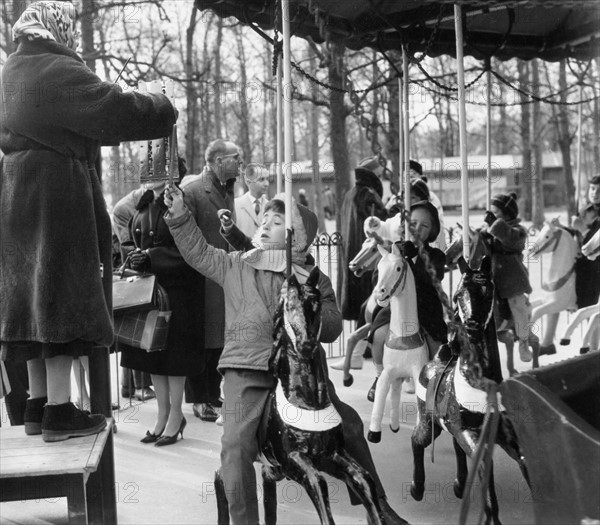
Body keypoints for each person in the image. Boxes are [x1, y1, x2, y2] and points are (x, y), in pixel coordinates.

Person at [164, 189, 407, 525]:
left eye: (276, 221)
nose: (264, 225)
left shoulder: (313, 279)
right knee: (235, 446)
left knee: (349, 423)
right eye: (263, 219)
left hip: (299, 375)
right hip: (248, 369)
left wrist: (307, 308)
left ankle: (376, 505)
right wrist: (179, 216)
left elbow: (334, 325)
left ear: (297, 238)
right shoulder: (238, 264)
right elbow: (199, 253)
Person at [0, 1, 177, 442]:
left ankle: (38, 406)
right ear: (56, 30)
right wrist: (162, 104)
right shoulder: (53, 71)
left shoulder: (10, 73)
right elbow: (114, 109)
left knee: (31, 298)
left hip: (16, 194)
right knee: (59, 293)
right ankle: (61, 412)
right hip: (55, 195)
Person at [119, 174, 204, 446]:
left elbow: (191, 250)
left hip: (178, 292)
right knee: (153, 355)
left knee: (173, 357)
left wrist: (152, 257)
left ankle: (176, 415)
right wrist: (134, 254)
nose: (149, 178)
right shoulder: (143, 205)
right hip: (152, 292)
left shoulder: (181, 202)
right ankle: (163, 414)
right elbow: (131, 238)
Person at [179, 139, 242, 422]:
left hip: (224, 278)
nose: (240, 164)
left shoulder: (227, 191)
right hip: (200, 281)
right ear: (218, 161)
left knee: (219, 340)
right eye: (235, 159)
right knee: (202, 341)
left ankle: (212, 393)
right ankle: (198, 398)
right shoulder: (192, 191)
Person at [112, 188, 155, 401]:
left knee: (137, 328)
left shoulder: (138, 203)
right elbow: (127, 245)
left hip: (139, 268)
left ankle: (132, 387)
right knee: (135, 328)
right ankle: (137, 386)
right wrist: (144, 257)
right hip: (134, 272)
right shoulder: (125, 209)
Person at [481, 193, 533, 362]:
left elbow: (511, 240)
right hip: (492, 275)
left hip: (512, 277)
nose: (492, 216)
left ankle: (524, 342)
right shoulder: (490, 228)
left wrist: (494, 224)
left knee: (517, 305)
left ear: (507, 214)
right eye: (492, 213)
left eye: (496, 213)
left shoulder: (519, 231)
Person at [339, 156, 388, 322]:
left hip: (350, 256)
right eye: (379, 175)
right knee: (368, 311)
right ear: (374, 175)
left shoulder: (349, 195)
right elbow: (383, 225)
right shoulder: (368, 196)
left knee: (358, 311)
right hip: (367, 259)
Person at [573, 176, 600, 309]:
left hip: (596, 268)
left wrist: (583, 229)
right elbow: (576, 234)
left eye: (599, 190)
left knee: (592, 307)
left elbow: (596, 243)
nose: (595, 193)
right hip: (582, 266)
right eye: (593, 188)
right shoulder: (585, 210)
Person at [234, 164, 269, 238]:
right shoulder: (235, 205)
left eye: (267, 179)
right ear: (248, 182)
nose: (267, 184)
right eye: (261, 179)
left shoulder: (271, 206)